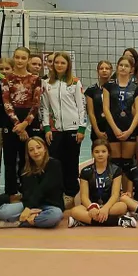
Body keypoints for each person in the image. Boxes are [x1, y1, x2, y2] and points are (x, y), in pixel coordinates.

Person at [41, 52, 86, 202]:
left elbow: (81, 107)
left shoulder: (74, 82)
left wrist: (81, 128)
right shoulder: (46, 83)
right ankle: (56, 192)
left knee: (71, 162)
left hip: (73, 129)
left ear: (68, 65)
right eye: (57, 62)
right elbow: (44, 108)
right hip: (55, 130)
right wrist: (47, 128)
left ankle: (71, 193)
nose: (59, 65)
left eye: (63, 63)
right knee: (55, 162)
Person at [0, 137, 65, 229]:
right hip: (30, 203)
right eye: (31, 150)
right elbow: (27, 193)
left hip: (50, 205)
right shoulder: (26, 170)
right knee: (3, 212)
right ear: (28, 153)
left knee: (55, 215)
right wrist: (30, 210)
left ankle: (18, 223)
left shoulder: (54, 164)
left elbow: (43, 189)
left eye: (38, 147)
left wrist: (29, 210)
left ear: (45, 149)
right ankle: (35, 220)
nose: (36, 152)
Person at [2, 46, 42, 201]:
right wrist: (18, 125)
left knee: (29, 158)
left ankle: (28, 191)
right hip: (12, 121)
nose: (20, 61)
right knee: (10, 159)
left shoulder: (35, 79)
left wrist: (25, 124)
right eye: (17, 57)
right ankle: (11, 192)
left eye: (23, 58)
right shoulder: (7, 79)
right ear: (13, 58)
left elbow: (36, 104)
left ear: (28, 60)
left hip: (29, 121)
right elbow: (6, 102)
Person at [67, 139, 137, 227]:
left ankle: (83, 221)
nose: (100, 154)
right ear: (92, 153)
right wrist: (92, 207)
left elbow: (115, 195)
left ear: (108, 153)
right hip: (91, 205)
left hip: (109, 205)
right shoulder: (85, 171)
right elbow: (84, 196)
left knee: (122, 206)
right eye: (96, 152)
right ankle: (118, 221)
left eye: (103, 151)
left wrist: (105, 208)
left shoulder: (116, 170)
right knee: (74, 211)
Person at [104, 55, 138, 173]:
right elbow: (106, 109)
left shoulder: (136, 88)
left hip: (129, 128)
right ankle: (115, 185)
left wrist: (130, 131)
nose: (123, 68)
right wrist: (115, 129)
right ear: (117, 67)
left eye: (126, 66)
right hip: (113, 128)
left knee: (127, 164)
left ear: (131, 69)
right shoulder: (108, 86)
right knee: (114, 164)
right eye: (121, 65)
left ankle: (126, 186)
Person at [84, 60, 114, 156]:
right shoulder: (91, 90)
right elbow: (91, 113)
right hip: (98, 128)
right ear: (97, 71)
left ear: (111, 71)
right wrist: (97, 131)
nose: (104, 70)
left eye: (107, 68)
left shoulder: (116, 88)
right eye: (101, 68)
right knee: (99, 155)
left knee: (113, 156)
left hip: (113, 128)